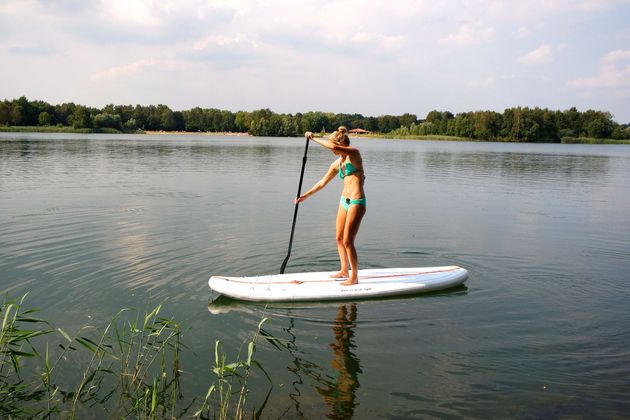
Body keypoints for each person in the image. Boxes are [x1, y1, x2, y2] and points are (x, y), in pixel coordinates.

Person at [296, 126, 366, 285]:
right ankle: (344, 270)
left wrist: (313, 138)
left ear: (341, 144)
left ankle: (354, 277)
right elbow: (322, 183)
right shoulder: (337, 163)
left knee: (348, 241)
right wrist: (305, 196)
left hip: (357, 202)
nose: (332, 151)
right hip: (344, 201)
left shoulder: (354, 154)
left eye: (334, 147)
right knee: (339, 238)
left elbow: (333, 146)